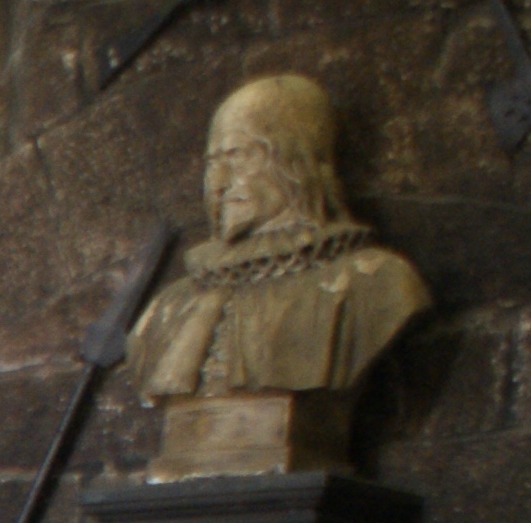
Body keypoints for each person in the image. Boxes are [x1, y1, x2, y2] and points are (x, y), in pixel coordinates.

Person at [124, 72, 431, 407]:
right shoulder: (167, 306)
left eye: (239, 156)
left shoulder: (378, 283)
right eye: (214, 163)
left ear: (297, 159)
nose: (220, 182)